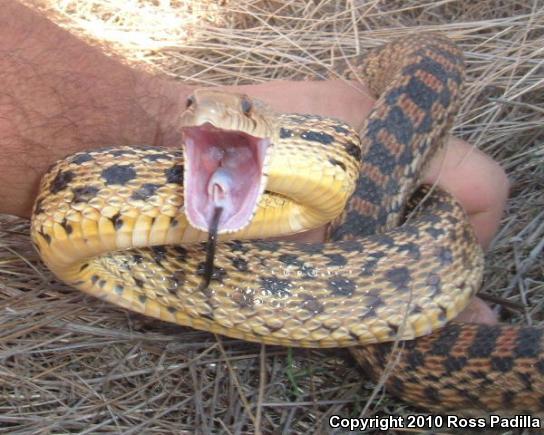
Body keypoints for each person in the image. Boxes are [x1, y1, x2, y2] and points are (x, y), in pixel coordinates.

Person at [1, 1, 509, 323]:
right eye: (191, 111)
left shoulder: (324, 144)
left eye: (242, 110)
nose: (208, 112)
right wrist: (156, 132)